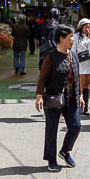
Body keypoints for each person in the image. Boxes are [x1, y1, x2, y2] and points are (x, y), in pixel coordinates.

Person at [36, 25, 83, 171]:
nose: (73, 39)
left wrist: (80, 95)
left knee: (76, 126)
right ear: (61, 38)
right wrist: (39, 96)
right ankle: (51, 159)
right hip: (53, 98)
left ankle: (64, 151)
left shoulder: (74, 55)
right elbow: (42, 78)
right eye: (70, 36)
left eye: (73, 36)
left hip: (71, 99)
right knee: (51, 129)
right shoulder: (50, 56)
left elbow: (77, 77)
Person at [72, 18, 90, 116]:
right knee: (80, 86)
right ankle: (79, 107)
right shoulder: (76, 36)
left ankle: (86, 107)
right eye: (86, 27)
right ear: (81, 27)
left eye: (89, 27)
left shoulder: (89, 37)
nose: (88, 29)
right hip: (81, 64)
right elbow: (73, 51)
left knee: (87, 85)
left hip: (89, 63)